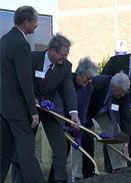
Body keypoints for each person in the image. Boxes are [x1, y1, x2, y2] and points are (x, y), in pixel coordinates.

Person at [11, 33, 81, 183]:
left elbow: (69, 90)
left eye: (67, 54)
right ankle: (18, 180)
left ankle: (59, 180)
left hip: (51, 108)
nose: (65, 57)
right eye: (63, 54)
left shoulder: (66, 66)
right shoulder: (31, 58)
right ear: (51, 50)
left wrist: (73, 112)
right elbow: (20, 81)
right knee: (23, 148)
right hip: (29, 106)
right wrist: (31, 101)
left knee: (61, 146)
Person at [0, 6, 45, 183]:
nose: (36, 25)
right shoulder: (21, 44)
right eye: (35, 21)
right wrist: (33, 110)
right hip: (18, 108)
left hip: (4, 106)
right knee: (27, 152)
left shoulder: (3, 41)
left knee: (4, 152)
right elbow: (24, 80)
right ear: (26, 22)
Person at [87, 73, 131, 173]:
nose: (123, 95)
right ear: (111, 87)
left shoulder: (124, 92)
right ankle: (79, 174)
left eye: (124, 93)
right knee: (83, 136)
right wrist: (88, 125)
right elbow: (84, 106)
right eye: (120, 93)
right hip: (87, 109)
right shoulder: (96, 85)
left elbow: (126, 116)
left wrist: (125, 138)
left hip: (104, 111)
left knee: (116, 132)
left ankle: (120, 168)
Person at [69, 57, 99, 183]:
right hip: (63, 117)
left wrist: (79, 131)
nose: (90, 81)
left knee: (87, 139)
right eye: (87, 78)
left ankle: (88, 174)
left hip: (78, 120)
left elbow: (83, 109)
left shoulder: (89, 88)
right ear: (79, 74)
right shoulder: (68, 82)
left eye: (91, 78)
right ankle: (75, 175)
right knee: (66, 148)